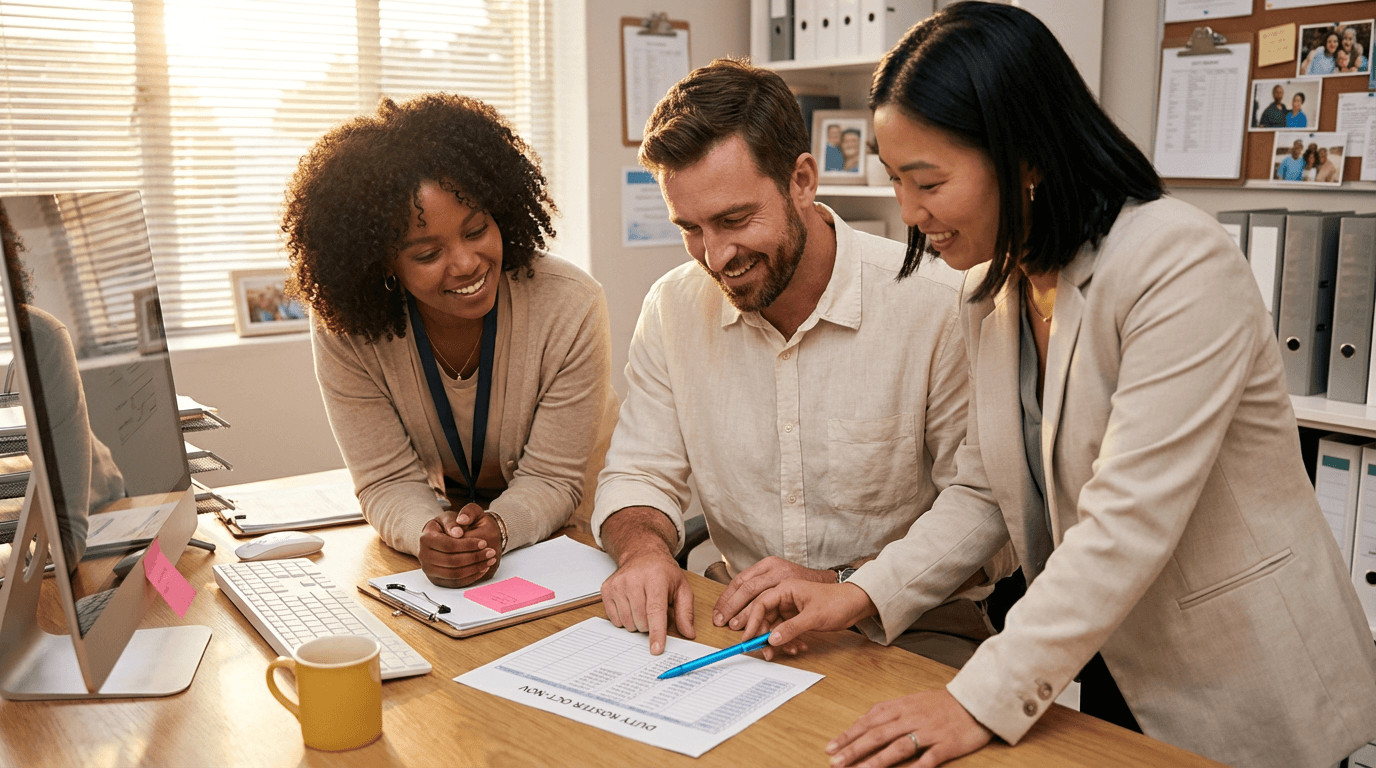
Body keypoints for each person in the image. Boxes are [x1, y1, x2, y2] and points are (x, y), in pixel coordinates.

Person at [739, 5, 1376, 768]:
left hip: (1248, 673)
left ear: (1026, 157)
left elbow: (1126, 521)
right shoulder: (996, 290)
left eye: (928, 181)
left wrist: (972, 698)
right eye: (894, 181)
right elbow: (984, 494)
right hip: (1109, 662)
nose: (910, 213)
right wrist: (863, 592)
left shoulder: (1176, 262)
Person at [593, 57, 1013, 668]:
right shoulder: (674, 306)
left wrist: (844, 583)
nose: (715, 256)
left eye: (735, 219)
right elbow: (638, 473)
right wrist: (644, 554)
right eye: (691, 228)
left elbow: (988, 518)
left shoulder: (937, 304)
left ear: (802, 180)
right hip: (742, 617)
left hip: (909, 623)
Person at [282, 93, 618, 588]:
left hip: (577, 524)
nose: (465, 263)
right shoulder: (350, 329)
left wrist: (497, 529)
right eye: (426, 253)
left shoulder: (570, 306)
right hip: (462, 532)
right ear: (382, 264)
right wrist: (429, 534)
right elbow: (386, 480)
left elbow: (554, 479)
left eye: (477, 229)